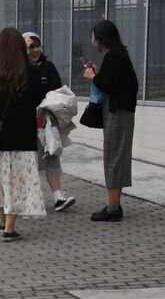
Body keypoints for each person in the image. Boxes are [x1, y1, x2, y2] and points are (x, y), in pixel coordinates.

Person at [0, 27, 46, 242]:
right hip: (22, 135)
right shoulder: (31, 72)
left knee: (1, 179)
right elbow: (38, 99)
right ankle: (9, 228)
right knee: (18, 181)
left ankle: (2, 221)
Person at [83, 18, 139, 221]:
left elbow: (109, 86)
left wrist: (92, 76)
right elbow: (114, 81)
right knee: (116, 156)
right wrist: (98, 73)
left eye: (93, 37)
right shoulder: (117, 55)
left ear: (101, 38)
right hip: (121, 111)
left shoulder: (113, 56)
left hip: (118, 112)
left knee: (114, 157)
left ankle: (113, 208)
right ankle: (114, 205)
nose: (91, 41)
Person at [23, 31, 75, 212]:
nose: (35, 50)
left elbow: (57, 92)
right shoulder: (20, 69)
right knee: (29, 160)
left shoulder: (48, 67)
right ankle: (28, 199)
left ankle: (58, 197)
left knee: (52, 156)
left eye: (37, 46)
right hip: (27, 122)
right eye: (30, 47)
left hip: (46, 120)